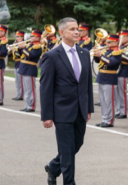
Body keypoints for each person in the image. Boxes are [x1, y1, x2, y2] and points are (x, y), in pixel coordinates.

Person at [40, 17, 94, 185]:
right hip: (61, 111)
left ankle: (54, 167)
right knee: (66, 149)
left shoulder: (85, 54)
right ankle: (69, 182)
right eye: (72, 29)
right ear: (62, 33)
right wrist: (46, 115)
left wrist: (89, 108)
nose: (76, 32)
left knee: (76, 144)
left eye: (77, 28)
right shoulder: (52, 56)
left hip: (80, 109)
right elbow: (46, 87)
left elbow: (87, 84)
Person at [93, 34, 122, 127]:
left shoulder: (117, 52)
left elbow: (110, 62)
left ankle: (109, 121)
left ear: (116, 42)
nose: (107, 43)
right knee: (102, 100)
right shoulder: (106, 51)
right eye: (107, 42)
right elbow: (98, 62)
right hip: (101, 76)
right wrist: (96, 55)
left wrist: (101, 55)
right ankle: (104, 119)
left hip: (110, 77)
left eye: (109, 42)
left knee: (109, 101)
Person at [18, 29, 43, 112]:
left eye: (33, 36)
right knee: (26, 89)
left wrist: (24, 47)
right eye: (31, 36)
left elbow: (30, 55)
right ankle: (27, 105)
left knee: (30, 89)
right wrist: (18, 49)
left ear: (38, 37)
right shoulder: (30, 45)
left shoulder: (38, 47)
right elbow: (22, 54)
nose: (31, 37)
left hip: (30, 68)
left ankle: (31, 106)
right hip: (24, 67)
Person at [114, 29, 128, 119]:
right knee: (117, 93)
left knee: (122, 93)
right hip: (117, 71)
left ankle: (123, 111)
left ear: (127, 37)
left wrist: (119, 54)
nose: (120, 38)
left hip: (124, 71)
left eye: (123, 36)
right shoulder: (120, 46)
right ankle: (118, 110)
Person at [9, 30, 25, 100]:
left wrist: (14, 50)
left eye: (18, 36)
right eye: (16, 36)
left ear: (22, 37)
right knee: (17, 80)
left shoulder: (23, 44)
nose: (16, 38)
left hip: (20, 63)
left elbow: (20, 54)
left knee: (20, 80)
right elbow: (11, 55)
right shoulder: (15, 44)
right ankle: (18, 94)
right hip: (16, 63)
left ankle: (21, 95)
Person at [0, 24, 8, 105]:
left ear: (4, 32)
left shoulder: (4, 41)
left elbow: (3, 53)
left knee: (0, 83)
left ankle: (0, 99)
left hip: (0, 63)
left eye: (1, 31)